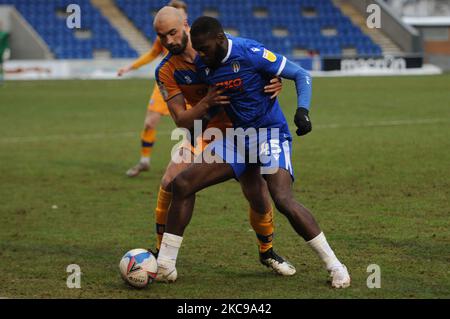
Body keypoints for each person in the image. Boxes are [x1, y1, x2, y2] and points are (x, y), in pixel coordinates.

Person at [156, 16, 351, 289]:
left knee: (281, 198)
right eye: (197, 51)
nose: (200, 57)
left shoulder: (249, 51)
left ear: (221, 40)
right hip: (236, 138)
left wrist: (302, 110)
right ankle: (164, 265)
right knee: (182, 183)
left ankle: (335, 265)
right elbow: (212, 101)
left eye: (205, 50)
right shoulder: (205, 64)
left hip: (269, 134)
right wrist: (197, 127)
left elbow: (300, 74)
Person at [150, 7, 294, 277]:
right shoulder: (167, 70)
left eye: (172, 33)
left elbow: (260, 66)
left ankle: (267, 252)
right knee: (172, 178)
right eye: (161, 37)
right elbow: (182, 121)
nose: (169, 41)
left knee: (259, 197)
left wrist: (274, 80)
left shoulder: (222, 46)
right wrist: (206, 103)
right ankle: (160, 254)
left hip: (244, 131)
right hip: (204, 132)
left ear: (186, 26)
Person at [118, 0, 188, 177]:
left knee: (195, 125)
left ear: (184, 17)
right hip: (164, 84)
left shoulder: (194, 36)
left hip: (189, 84)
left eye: (179, 14)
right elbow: (152, 54)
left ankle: (225, 164)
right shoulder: (163, 37)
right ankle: (144, 161)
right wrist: (130, 67)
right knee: (150, 123)